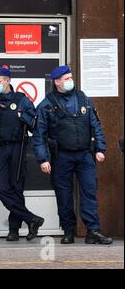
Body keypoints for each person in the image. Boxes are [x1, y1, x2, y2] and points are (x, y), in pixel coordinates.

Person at [32, 65, 113, 245]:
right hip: (62, 156)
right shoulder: (47, 104)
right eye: (66, 78)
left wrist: (100, 148)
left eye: (70, 77)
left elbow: (95, 125)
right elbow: (39, 135)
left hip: (85, 155)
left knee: (89, 192)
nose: (70, 81)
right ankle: (68, 231)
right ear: (57, 82)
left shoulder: (83, 98)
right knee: (64, 195)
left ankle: (93, 231)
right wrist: (43, 159)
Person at [0, 66, 45, 241]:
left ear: (8, 81)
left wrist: (22, 116)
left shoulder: (21, 99)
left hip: (17, 147)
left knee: (16, 188)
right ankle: (32, 219)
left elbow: (33, 123)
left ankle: (13, 230)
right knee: (1, 188)